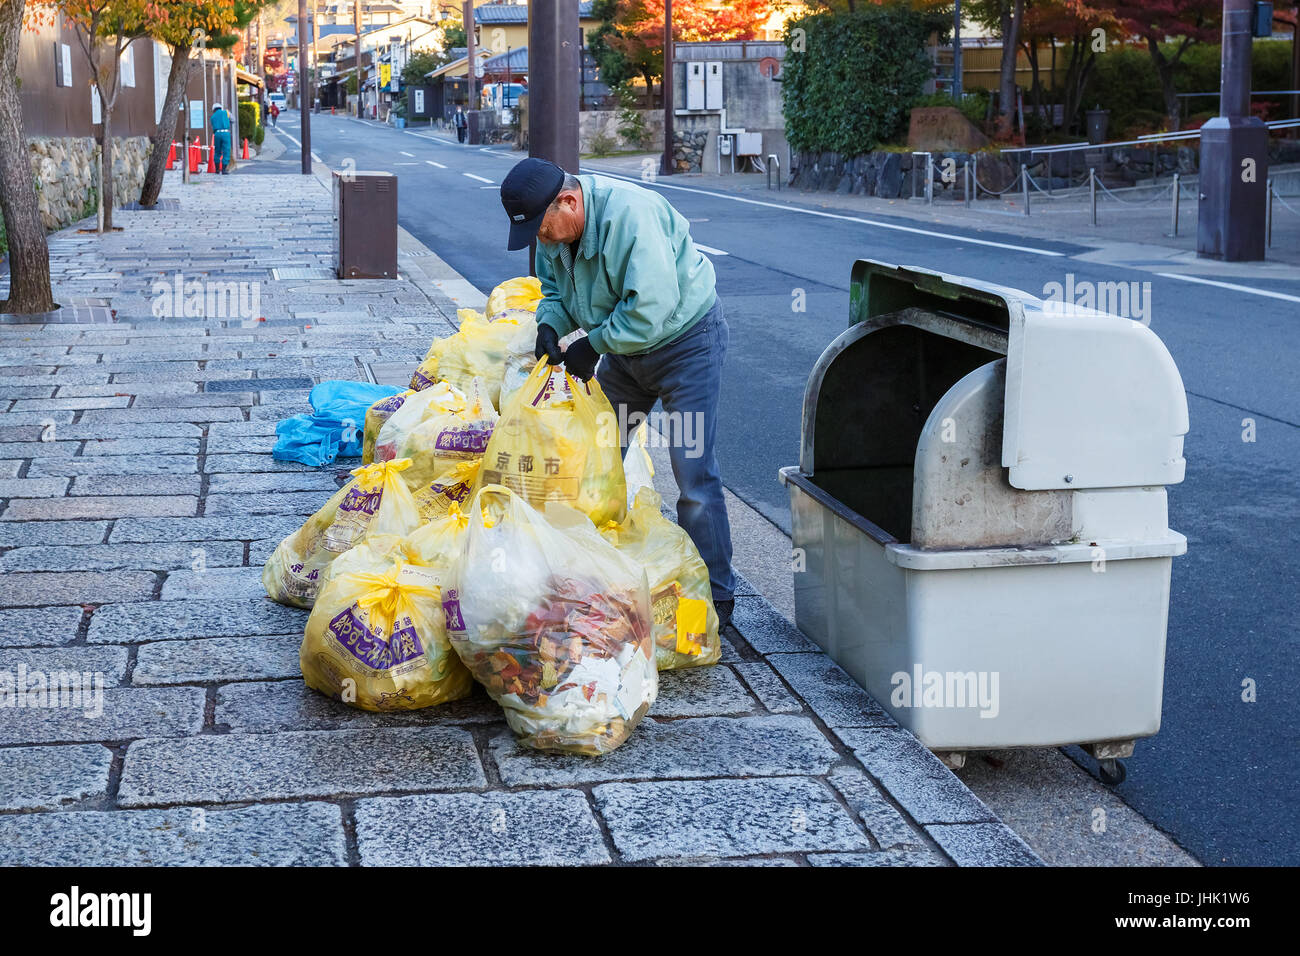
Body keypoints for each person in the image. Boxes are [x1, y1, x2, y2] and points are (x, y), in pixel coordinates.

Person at [498, 157, 736, 628]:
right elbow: (553, 290)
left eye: (543, 229)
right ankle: (590, 575)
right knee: (597, 457)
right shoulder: (555, 230)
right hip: (626, 353)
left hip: (685, 347)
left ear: (568, 201)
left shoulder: (631, 216)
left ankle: (717, 596)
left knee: (692, 472)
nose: (542, 240)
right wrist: (551, 325)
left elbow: (650, 309)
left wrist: (593, 345)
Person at [210, 103, 232, 174]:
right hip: (226, 133)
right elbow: (233, 120)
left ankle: (217, 170)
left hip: (217, 134)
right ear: (220, 107)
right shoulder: (226, 112)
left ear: (214, 109)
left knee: (217, 151)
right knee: (226, 151)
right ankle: (224, 170)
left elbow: (213, 126)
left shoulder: (212, 117)